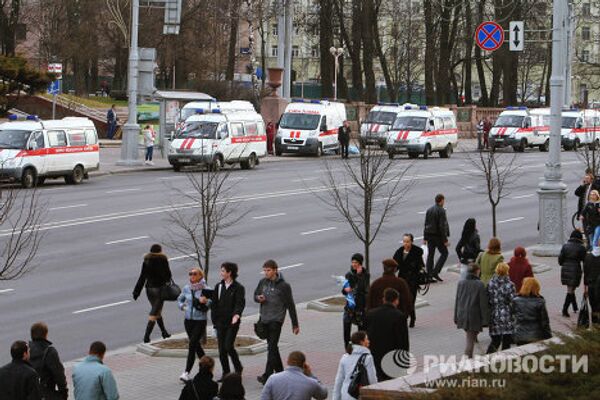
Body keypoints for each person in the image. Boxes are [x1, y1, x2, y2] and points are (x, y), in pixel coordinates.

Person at [255, 260, 300, 385]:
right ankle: (280, 372)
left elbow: (290, 305)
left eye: (268, 270)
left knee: (271, 347)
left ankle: (267, 375)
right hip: (264, 319)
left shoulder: (284, 286)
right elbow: (255, 295)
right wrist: (258, 298)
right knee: (273, 347)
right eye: (264, 270)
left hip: (276, 320)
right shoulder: (262, 282)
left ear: (275, 270)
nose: (266, 273)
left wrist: (295, 324)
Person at [366, 288, 409, 381]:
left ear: (384, 299)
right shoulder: (399, 316)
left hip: (375, 355)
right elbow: (403, 341)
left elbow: (367, 335)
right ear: (396, 300)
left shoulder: (371, 314)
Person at [211, 262, 246, 379]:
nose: (221, 273)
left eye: (223, 271)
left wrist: (236, 315)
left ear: (229, 272)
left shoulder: (238, 288)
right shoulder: (219, 286)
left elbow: (239, 303)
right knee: (221, 350)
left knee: (228, 346)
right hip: (220, 322)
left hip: (232, 322)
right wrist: (214, 320)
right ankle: (226, 373)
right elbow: (214, 304)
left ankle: (238, 367)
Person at [133, 244, 173, 343]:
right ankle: (146, 337)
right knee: (154, 312)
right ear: (160, 251)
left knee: (157, 310)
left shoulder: (146, 261)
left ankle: (164, 332)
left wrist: (136, 291)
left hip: (149, 289)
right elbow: (168, 275)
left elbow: (142, 277)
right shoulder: (163, 260)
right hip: (159, 289)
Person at [177, 267, 211, 382]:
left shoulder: (206, 289)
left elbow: (212, 303)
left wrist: (206, 301)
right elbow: (180, 299)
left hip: (200, 321)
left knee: (192, 344)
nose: (192, 276)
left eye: (194, 274)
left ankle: (186, 372)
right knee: (196, 346)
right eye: (190, 274)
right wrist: (182, 307)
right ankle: (207, 367)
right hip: (188, 321)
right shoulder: (187, 288)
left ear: (200, 276)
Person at [454, 263, 489, 358]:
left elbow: (457, 300)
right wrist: (486, 320)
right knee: (470, 341)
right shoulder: (479, 284)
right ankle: (467, 360)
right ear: (477, 271)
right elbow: (483, 304)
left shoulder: (461, 283)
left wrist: (456, 317)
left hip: (462, 315)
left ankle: (469, 359)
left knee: (471, 337)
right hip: (473, 317)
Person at [261, 351, 328, 400]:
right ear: (304, 365)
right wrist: (310, 375)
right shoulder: (311, 382)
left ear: (287, 362)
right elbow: (323, 395)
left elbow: (264, 398)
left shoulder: (273, 378)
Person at [332, 331, 378, 400]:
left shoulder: (345, 357)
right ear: (361, 342)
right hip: (359, 394)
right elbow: (372, 380)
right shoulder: (368, 358)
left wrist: (335, 398)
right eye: (366, 339)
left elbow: (339, 380)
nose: (368, 341)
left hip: (346, 394)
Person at [29, 322, 68, 400]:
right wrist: (63, 392)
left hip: (30, 393)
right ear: (46, 334)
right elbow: (59, 374)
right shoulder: (49, 351)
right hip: (47, 392)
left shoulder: (27, 350)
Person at [392, 234, 424, 327]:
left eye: (407, 241)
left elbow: (420, 265)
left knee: (410, 300)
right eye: (404, 241)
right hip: (402, 279)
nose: (405, 243)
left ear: (411, 242)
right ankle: (406, 318)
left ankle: (411, 318)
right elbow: (395, 265)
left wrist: (421, 270)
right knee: (402, 300)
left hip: (413, 280)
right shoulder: (399, 251)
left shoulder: (417, 252)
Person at [486, 263, 516, 353]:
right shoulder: (510, 284)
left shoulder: (490, 283)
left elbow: (487, 298)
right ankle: (505, 360)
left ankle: (487, 359)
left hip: (494, 314)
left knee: (495, 340)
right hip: (507, 315)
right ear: (507, 271)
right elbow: (513, 301)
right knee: (507, 341)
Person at [512, 278, 552, 345]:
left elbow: (512, 317)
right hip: (536, 335)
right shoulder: (540, 301)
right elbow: (544, 322)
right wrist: (549, 336)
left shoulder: (516, 301)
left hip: (520, 335)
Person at [342, 253, 370, 347]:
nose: (354, 264)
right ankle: (347, 346)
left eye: (356, 262)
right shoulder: (348, 274)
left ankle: (361, 346)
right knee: (346, 328)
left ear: (360, 264)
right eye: (352, 262)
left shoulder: (366, 274)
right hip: (350, 305)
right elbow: (344, 290)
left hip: (360, 306)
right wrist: (345, 290)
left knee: (361, 329)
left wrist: (358, 276)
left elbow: (364, 288)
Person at [558, 230, 587, 317]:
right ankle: (565, 309)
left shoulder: (565, 246)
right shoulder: (581, 247)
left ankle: (575, 307)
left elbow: (560, 260)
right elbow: (584, 260)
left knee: (571, 288)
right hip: (575, 270)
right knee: (571, 290)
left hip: (565, 269)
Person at [423, 193, 450, 282]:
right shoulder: (441, 211)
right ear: (441, 200)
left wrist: (425, 237)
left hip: (430, 236)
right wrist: (445, 240)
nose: (444, 202)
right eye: (443, 200)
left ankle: (429, 274)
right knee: (444, 253)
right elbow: (442, 226)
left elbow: (426, 224)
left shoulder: (429, 210)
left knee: (431, 255)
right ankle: (436, 271)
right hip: (437, 236)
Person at [584, 246, 600, 324]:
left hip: (591, 286)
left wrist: (585, 287)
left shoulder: (588, 257)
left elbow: (585, 273)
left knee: (593, 307)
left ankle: (594, 325)